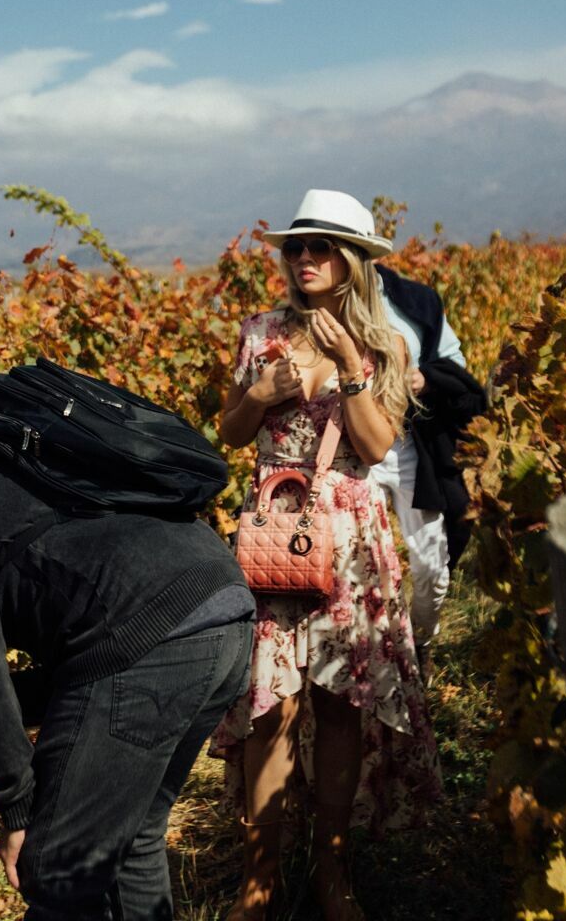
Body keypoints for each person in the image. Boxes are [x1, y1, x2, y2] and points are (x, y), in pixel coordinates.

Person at [0, 452, 253, 919]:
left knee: (54, 866)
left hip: (152, 637)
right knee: (133, 841)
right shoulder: (6, 489)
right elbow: (83, 663)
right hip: (225, 609)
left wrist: (21, 810)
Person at [210, 189, 443, 921]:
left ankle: (331, 875)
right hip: (275, 534)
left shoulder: (387, 347)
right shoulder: (259, 333)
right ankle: (259, 878)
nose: (305, 259)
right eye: (296, 247)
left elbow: (375, 447)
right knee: (269, 707)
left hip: (349, 542)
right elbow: (231, 433)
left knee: (341, 706)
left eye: (321, 247)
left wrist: (349, 370)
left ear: (354, 261)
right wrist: (264, 391)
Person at [366, 261, 487, 672]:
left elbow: (454, 361)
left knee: (432, 565)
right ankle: (371, 658)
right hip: (350, 448)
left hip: (410, 444)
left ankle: (421, 640)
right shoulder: (312, 306)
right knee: (359, 563)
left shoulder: (415, 300)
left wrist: (424, 379)